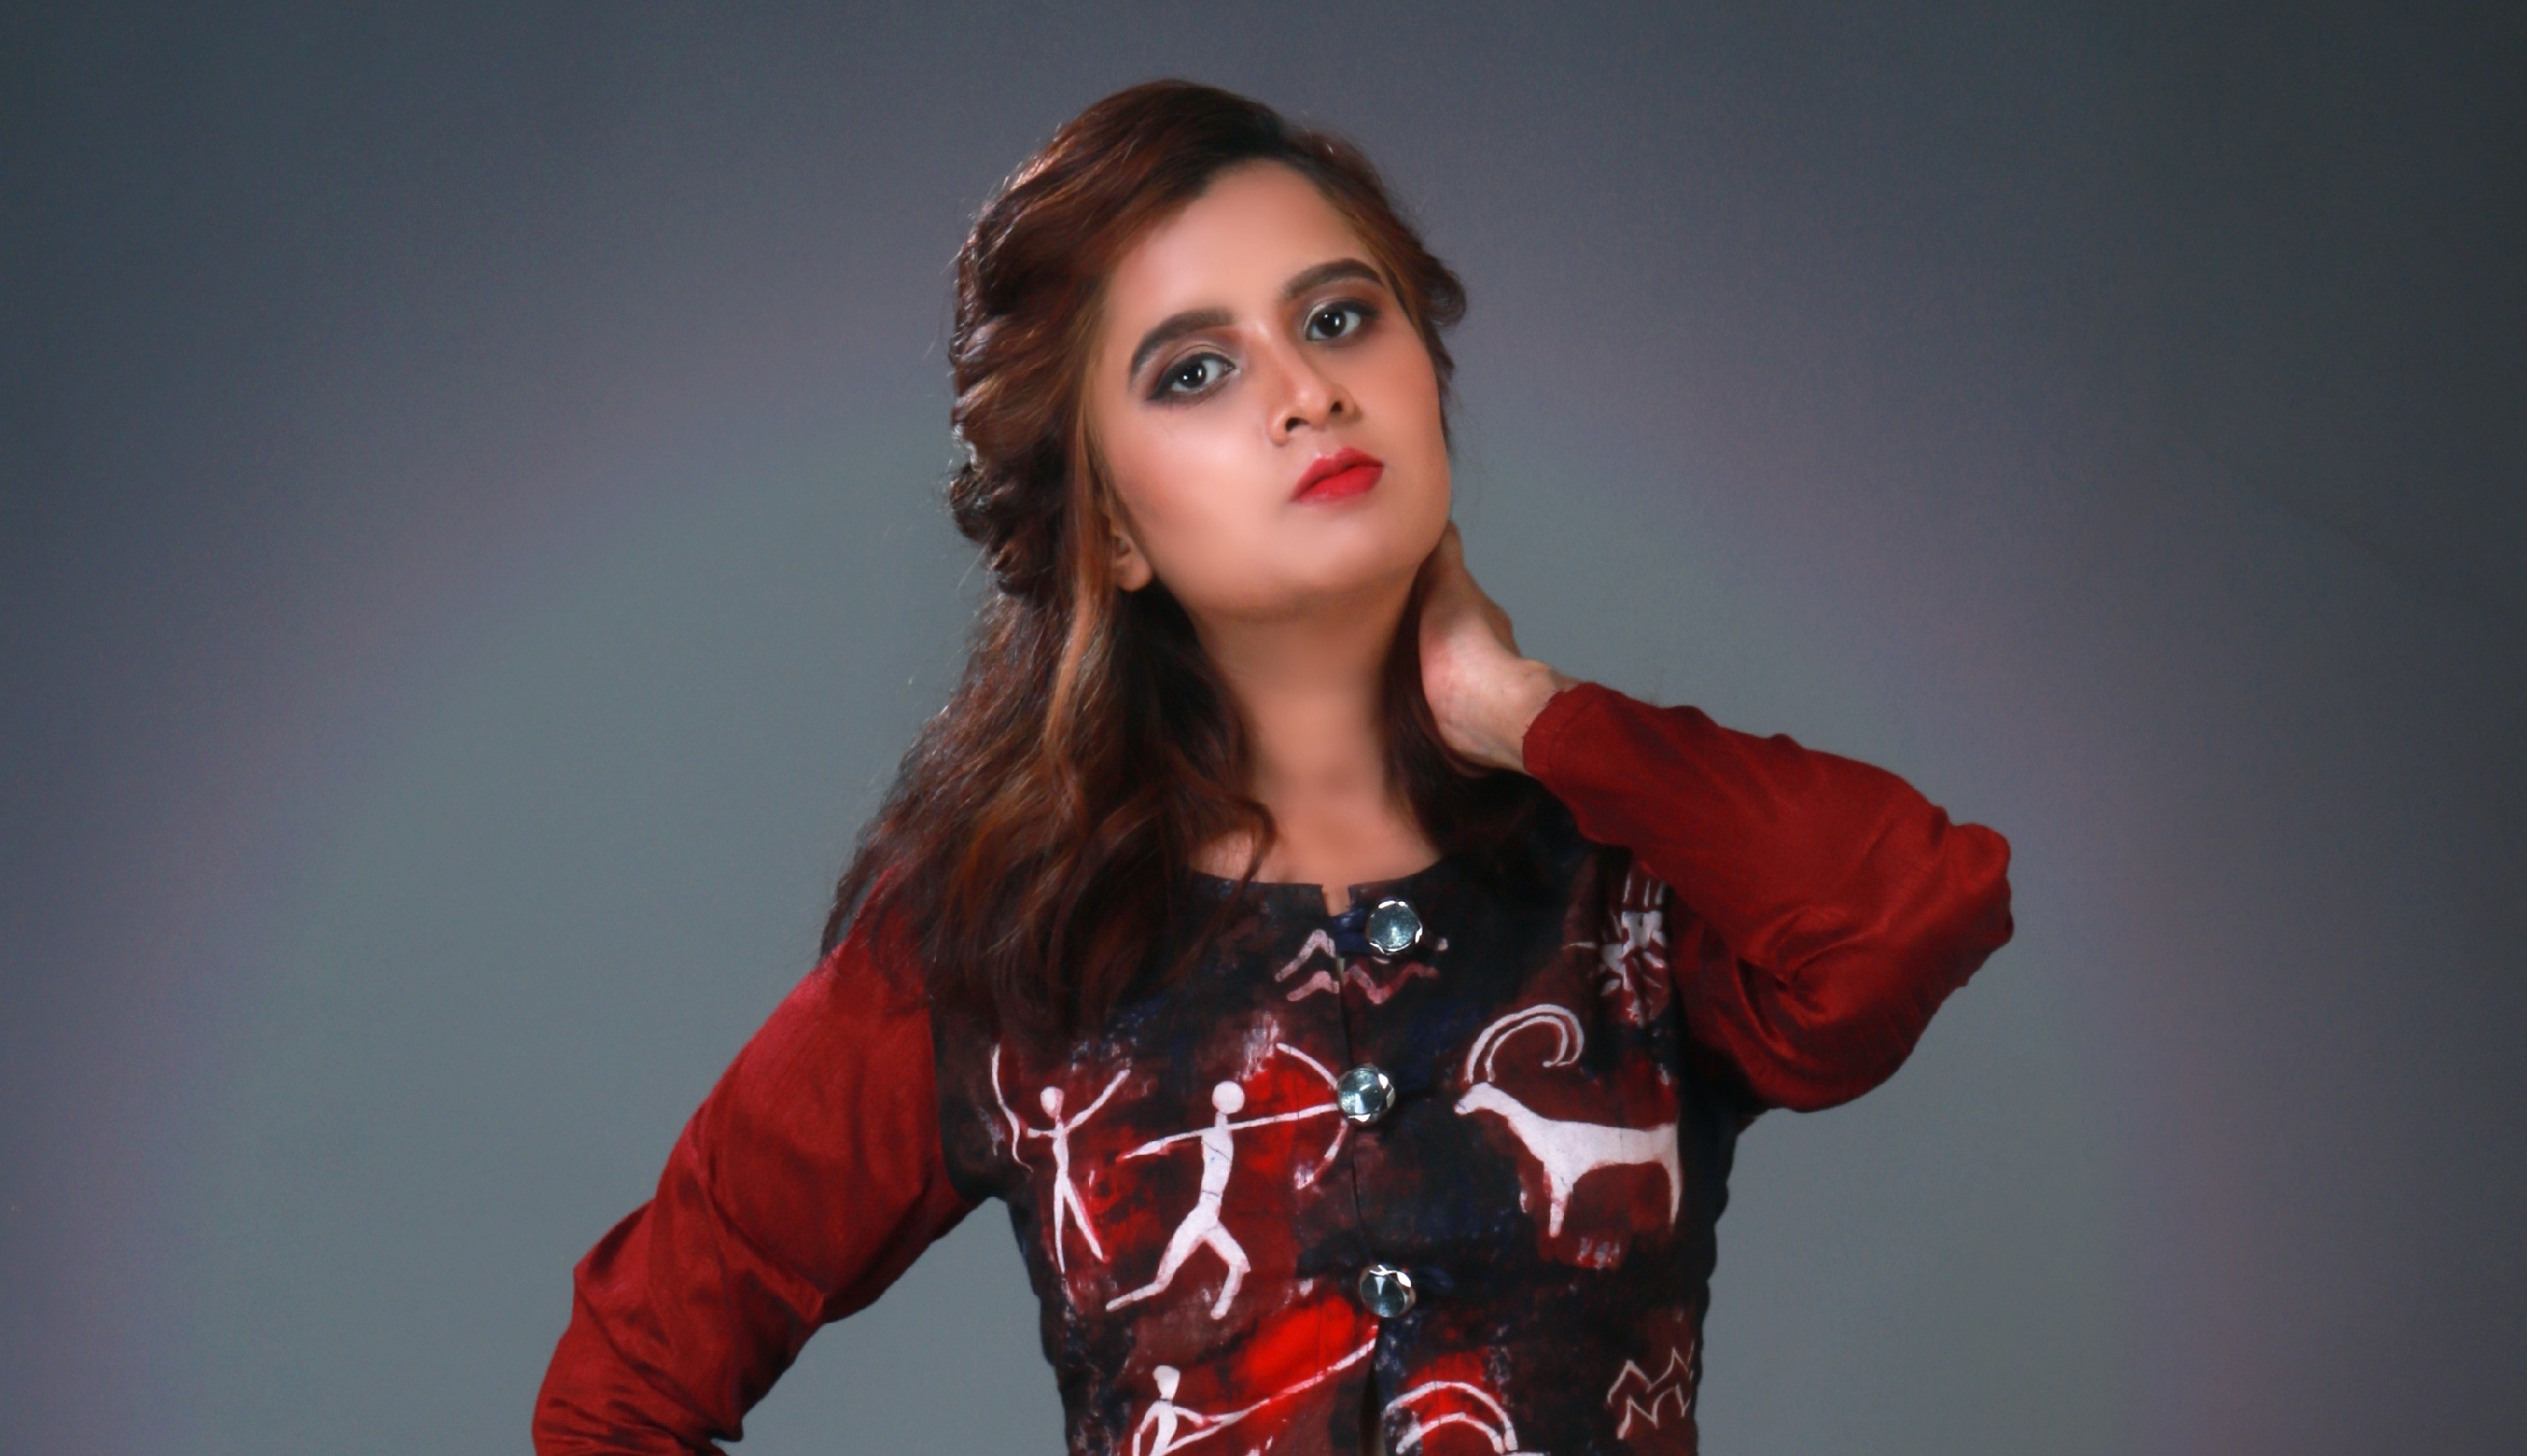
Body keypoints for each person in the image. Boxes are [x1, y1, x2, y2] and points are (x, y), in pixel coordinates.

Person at [531, 81, 2015, 1454]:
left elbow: (1907, 914)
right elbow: (619, 1394)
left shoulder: (1627, 880)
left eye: (1340, 317)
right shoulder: (1003, 943)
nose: (1305, 391)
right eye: (1194, 370)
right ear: (1112, 528)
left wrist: (1527, 712)